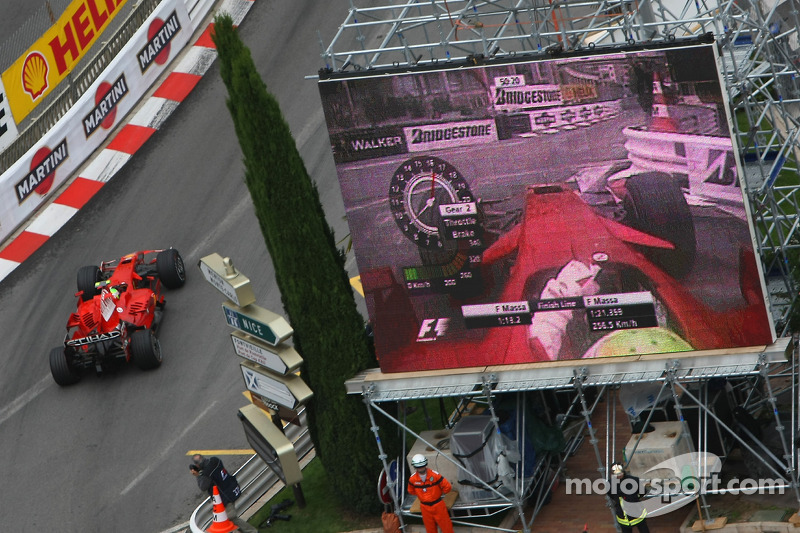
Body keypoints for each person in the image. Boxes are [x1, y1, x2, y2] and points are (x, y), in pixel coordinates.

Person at [189, 454, 258, 533]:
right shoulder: (215, 460)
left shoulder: (207, 474)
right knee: (227, 519)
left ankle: (252, 531)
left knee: (230, 518)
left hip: (225, 497)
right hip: (232, 488)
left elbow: (203, 486)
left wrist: (197, 475)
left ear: (197, 464)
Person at [407, 453, 455, 533]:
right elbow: (411, 490)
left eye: (422, 466)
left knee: (446, 527)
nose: (421, 468)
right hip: (425, 507)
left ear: (425, 464)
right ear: (415, 467)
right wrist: (421, 496)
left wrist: (439, 493)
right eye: (419, 467)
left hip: (438, 505)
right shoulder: (412, 479)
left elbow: (447, 487)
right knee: (430, 529)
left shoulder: (435, 475)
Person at [609, 463, 650, 533]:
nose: (619, 476)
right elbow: (611, 495)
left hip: (638, 513)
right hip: (623, 517)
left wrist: (634, 498)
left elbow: (643, 492)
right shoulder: (610, 484)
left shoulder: (634, 480)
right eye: (617, 475)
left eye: (620, 473)